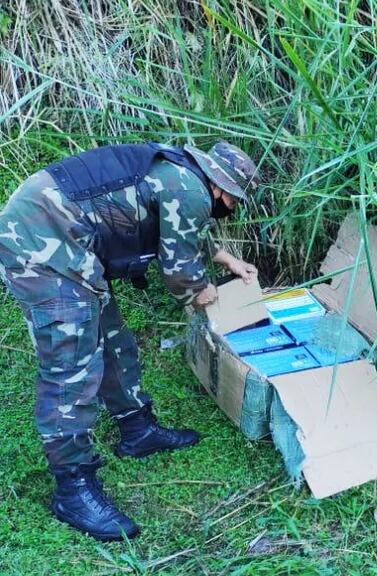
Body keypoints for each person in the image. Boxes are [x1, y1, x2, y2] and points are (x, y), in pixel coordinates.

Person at [0, 140, 259, 541]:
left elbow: (180, 227)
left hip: (68, 238)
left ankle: (137, 429)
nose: (231, 207)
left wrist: (224, 259)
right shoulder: (190, 189)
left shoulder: (182, 174)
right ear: (221, 188)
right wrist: (201, 290)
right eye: (233, 199)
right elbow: (180, 271)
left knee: (114, 340)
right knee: (71, 367)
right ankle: (73, 488)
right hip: (39, 242)